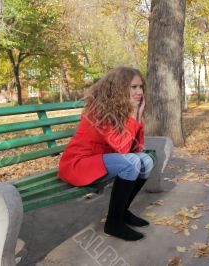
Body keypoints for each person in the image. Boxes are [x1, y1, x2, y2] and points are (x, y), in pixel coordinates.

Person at [58, 67, 154, 241]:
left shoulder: (122, 111)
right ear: (119, 88)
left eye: (140, 87)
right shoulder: (98, 112)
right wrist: (135, 115)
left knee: (146, 160)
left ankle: (122, 211)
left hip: (102, 162)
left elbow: (136, 149)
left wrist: (136, 116)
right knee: (131, 162)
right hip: (79, 164)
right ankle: (113, 223)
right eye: (133, 87)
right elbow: (124, 150)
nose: (139, 92)